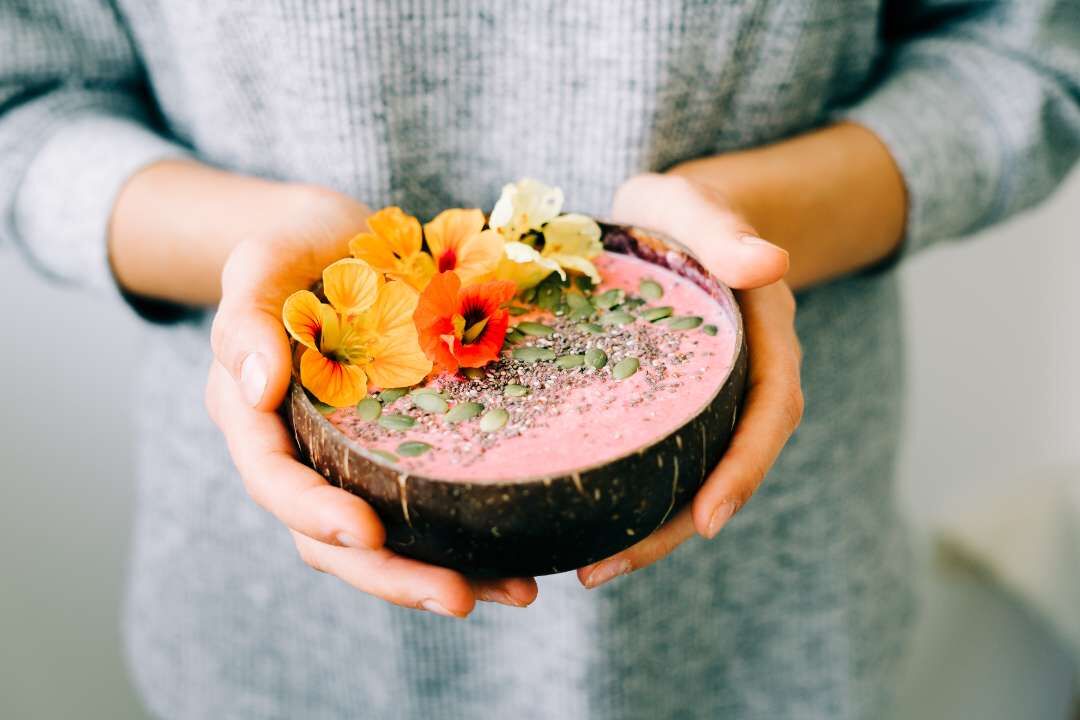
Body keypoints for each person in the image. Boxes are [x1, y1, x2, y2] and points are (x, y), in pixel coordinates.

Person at [3, 1, 1077, 718]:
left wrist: (749, 225)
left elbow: (1027, 54)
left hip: (760, 633)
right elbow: (24, 103)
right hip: (280, 646)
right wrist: (249, 245)